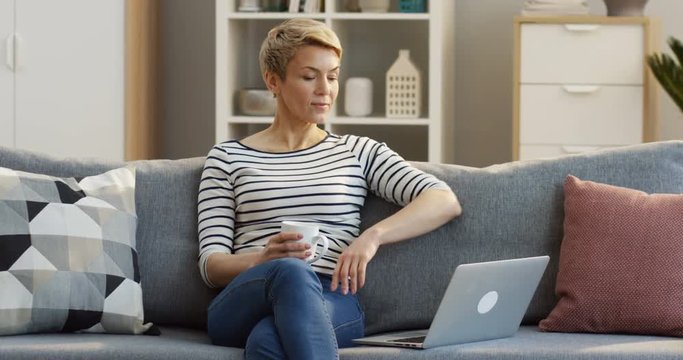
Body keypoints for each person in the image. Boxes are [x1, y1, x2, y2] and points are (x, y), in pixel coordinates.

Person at [197, 18, 462, 359]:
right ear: (273, 80)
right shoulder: (228, 157)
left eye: (333, 76)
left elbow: (443, 200)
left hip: (333, 297)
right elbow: (211, 265)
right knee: (290, 271)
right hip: (249, 293)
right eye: (309, 77)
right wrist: (260, 260)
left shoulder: (357, 151)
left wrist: (372, 236)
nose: (325, 89)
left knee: (267, 342)